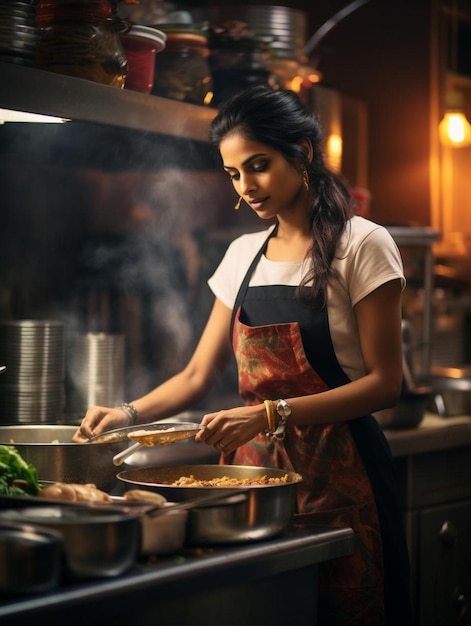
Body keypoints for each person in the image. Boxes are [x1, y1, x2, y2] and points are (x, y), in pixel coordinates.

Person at [74, 85, 414, 626]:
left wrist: (269, 414)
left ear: (301, 151)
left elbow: (384, 386)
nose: (245, 187)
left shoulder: (363, 244)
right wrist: (127, 415)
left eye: (258, 165)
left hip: (343, 476)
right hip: (253, 483)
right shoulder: (241, 255)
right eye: (233, 173)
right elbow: (194, 375)